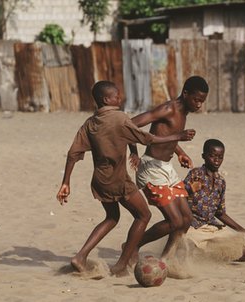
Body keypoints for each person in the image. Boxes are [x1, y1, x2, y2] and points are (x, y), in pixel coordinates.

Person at [56, 81, 195, 277]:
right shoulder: (120, 118)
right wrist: (177, 137)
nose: (120, 98)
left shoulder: (90, 123)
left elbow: (73, 153)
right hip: (118, 180)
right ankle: (122, 264)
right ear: (107, 99)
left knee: (112, 218)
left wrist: (66, 182)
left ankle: (80, 257)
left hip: (99, 180)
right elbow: (148, 138)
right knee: (143, 215)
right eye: (117, 96)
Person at [128, 76, 209, 264]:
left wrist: (179, 152)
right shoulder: (168, 109)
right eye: (196, 100)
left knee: (186, 219)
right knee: (174, 221)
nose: (198, 105)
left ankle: (165, 259)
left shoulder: (184, 112)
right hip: (151, 169)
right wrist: (133, 152)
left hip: (167, 168)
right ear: (185, 93)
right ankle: (132, 245)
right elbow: (130, 125)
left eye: (202, 102)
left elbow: (165, 135)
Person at [184, 139, 245, 262]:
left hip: (213, 228)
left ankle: (209, 253)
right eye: (212, 156)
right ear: (204, 156)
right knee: (187, 249)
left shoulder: (221, 182)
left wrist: (244, 231)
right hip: (194, 227)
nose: (216, 160)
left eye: (220, 157)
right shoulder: (195, 174)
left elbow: (220, 213)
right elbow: (180, 196)